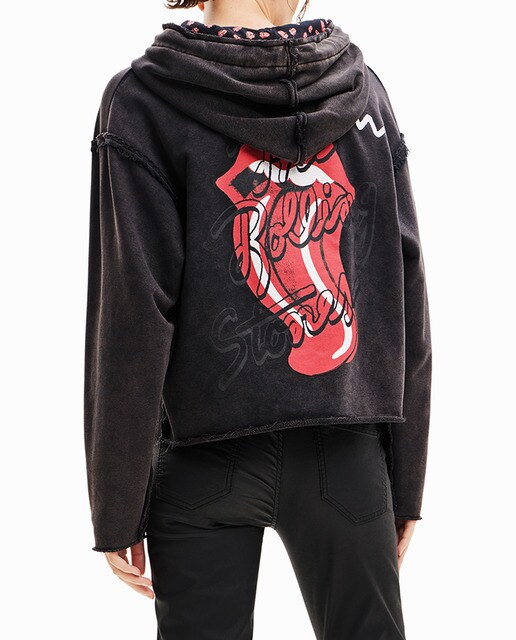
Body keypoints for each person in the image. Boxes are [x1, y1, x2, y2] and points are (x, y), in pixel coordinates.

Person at [84, 0, 432, 637]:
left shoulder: (144, 100)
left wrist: (117, 501)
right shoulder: (361, 94)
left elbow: (132, 311)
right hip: (344, 455)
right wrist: (406, 479)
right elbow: (403, 292)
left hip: (202, 457)